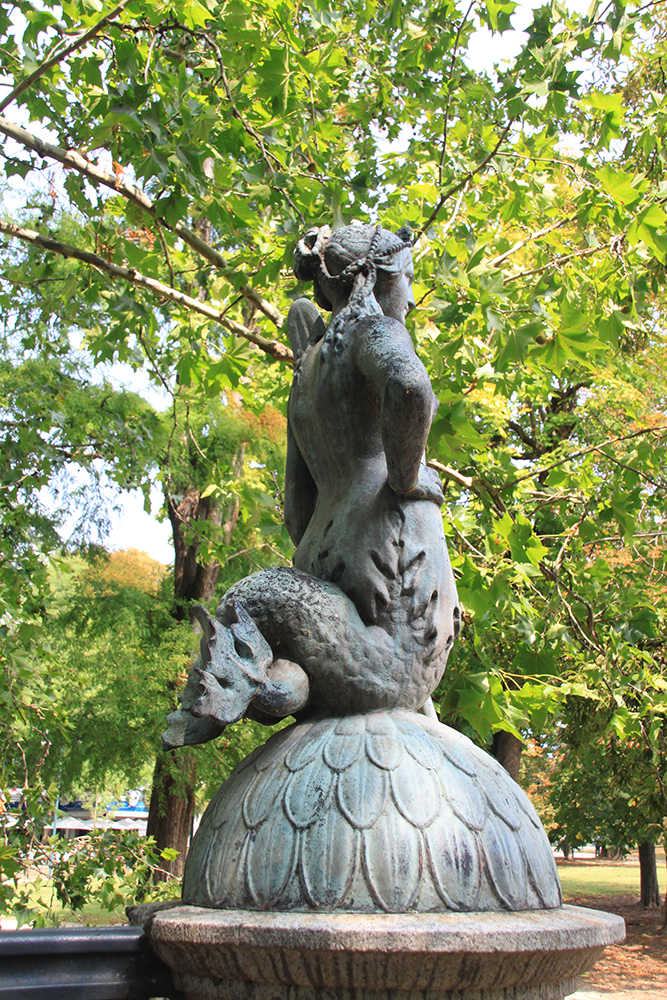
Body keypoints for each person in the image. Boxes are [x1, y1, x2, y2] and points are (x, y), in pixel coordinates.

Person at [163, 223, 459, 751]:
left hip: (321, 566)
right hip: (390, 578)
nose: (412, 297)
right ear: (370, 278)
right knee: (387, 677)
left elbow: (296, 508)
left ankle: (276, 684)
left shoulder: (306, 370)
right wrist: (407, 477)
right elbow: (411, 386)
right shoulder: (372, 331)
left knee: (302, 671)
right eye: (407, 279)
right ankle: (270, 683)